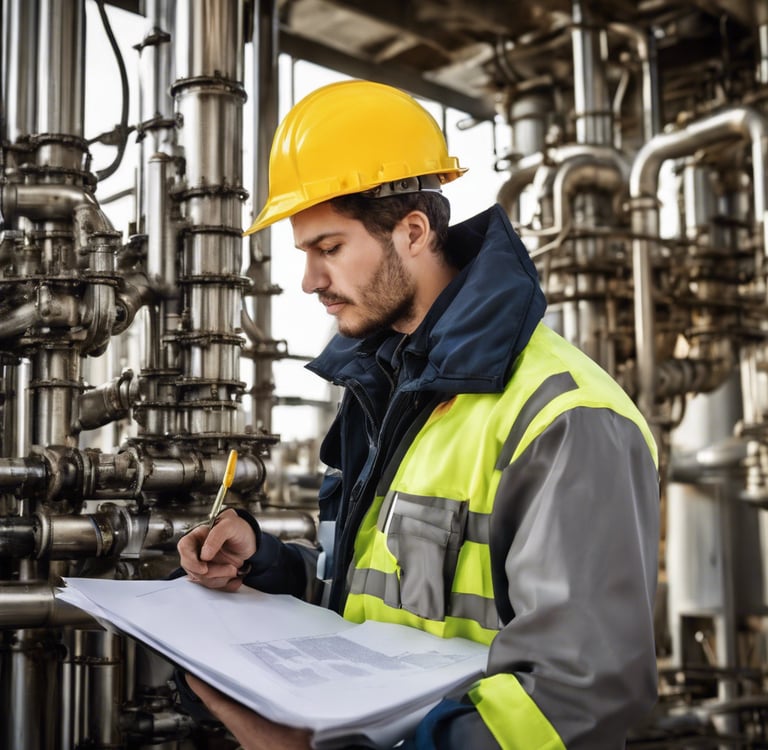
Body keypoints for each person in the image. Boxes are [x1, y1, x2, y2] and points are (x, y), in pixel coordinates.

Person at [177, 79, 660, 750]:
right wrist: (269, 565)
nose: (311, 281)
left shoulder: (564, 415)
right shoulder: (379, 389)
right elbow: (379, 600)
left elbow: (578, 697)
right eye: (306, 254)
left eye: (330, 248)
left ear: (412, 232)